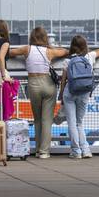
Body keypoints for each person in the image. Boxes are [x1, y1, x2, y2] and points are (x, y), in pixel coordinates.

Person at [9, 25, 70, 159]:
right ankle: (44, 151)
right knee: (46, 120)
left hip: (33, 83)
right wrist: (52, 48)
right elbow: (65, 52)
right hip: (48, 84)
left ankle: (37, 149)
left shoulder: (27, 49)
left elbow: (11, 53)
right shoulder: (49, 51)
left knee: (37, 119)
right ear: (45, 38)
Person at [58, 35, 99, 159]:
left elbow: (63, 80)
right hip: (84, 92)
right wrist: (89, 51)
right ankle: (86, 150)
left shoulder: (68, 60)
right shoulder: (89, 57)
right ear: (84, 46)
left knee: (72, 123)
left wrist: (61, 96)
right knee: (79, 123)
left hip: (70, 92)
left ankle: (76, 151)